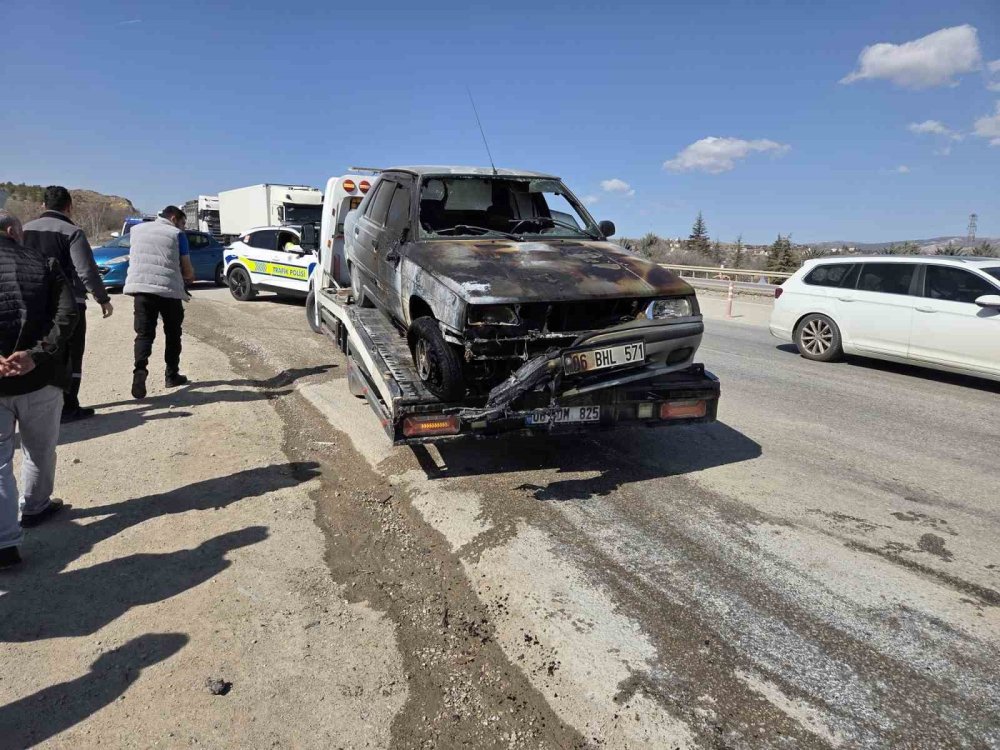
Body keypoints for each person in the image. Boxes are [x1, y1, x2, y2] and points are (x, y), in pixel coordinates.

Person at [0, 211, 80, 569]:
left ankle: (4, 543)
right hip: (40, 378)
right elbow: (67, 316)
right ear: (13, 231)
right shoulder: (45, 264)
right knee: (40, 449)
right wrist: (36, 355)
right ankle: (35, 507)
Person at [22, 186, 113, 423]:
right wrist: (102, 298)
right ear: (69, 207)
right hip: (69, 304)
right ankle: (68, 407)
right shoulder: (73, 232)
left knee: (37, 349)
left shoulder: (23, 230)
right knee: (71, 354)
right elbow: (86, 271)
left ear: (43, 205)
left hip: (31, 303)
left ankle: (34, 406)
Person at [124, 206, 195, 399]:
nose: (183, 227)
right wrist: (189, 276)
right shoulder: (177, 234)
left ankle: (140, 371)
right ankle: (171, 375)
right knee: (173, 333)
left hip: (141, 290)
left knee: (144, 334)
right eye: (182, 222)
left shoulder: (136, 230)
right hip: (168, 290)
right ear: (173, 218)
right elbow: (187, 268)